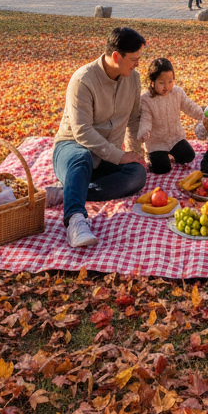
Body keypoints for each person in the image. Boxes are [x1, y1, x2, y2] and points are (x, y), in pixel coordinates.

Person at [51, 26, 149, 248]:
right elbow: (82, 131)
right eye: (134, 59)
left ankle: (66, 191)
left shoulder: (133, 79)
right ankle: (75, 220)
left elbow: (134, 120)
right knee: (81, 157)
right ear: (116, 57)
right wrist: (120, 156)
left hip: (106, 157)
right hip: (72, 149)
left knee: (137, 174)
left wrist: (135, 155)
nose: (137, 64)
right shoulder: (83, 79)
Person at [136, 58, 203, 174]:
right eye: (162, 83)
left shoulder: (177, 93)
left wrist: (202, 115)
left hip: (175, 138)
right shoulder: (146, 99)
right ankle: (155, 157)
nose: (166, 86)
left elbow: (189, 106)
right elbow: (145, 119)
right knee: (162, 169)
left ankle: (171, 155)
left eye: (170, 81)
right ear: (152, 82)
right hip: (157, 143)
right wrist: (144, 131)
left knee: (188, 156)